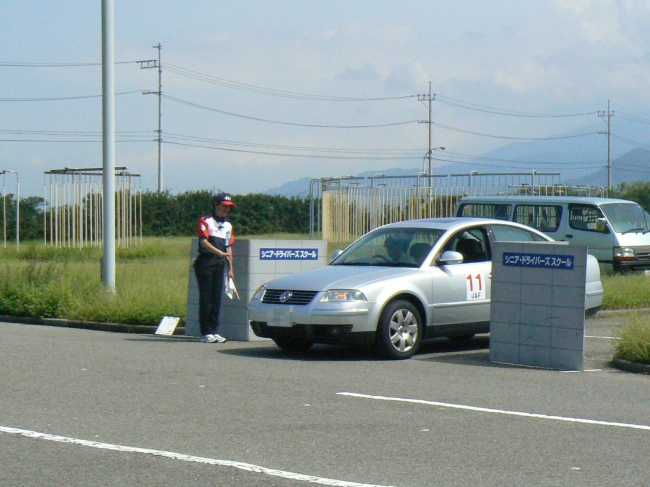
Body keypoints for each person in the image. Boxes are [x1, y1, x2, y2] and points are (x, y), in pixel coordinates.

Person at [193, 192, 235, 343]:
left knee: (216, 298)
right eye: (223, 206)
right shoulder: (205, 221)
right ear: (216, 205)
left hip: (219, 264)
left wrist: (230, 268)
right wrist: (219, 252)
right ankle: (206, 332)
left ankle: (214, 330)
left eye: (228, 207)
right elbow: (203, 242)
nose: (226, 209)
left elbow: (228, 246)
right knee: (206, 299)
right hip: (205, 262)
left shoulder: (228, 225)